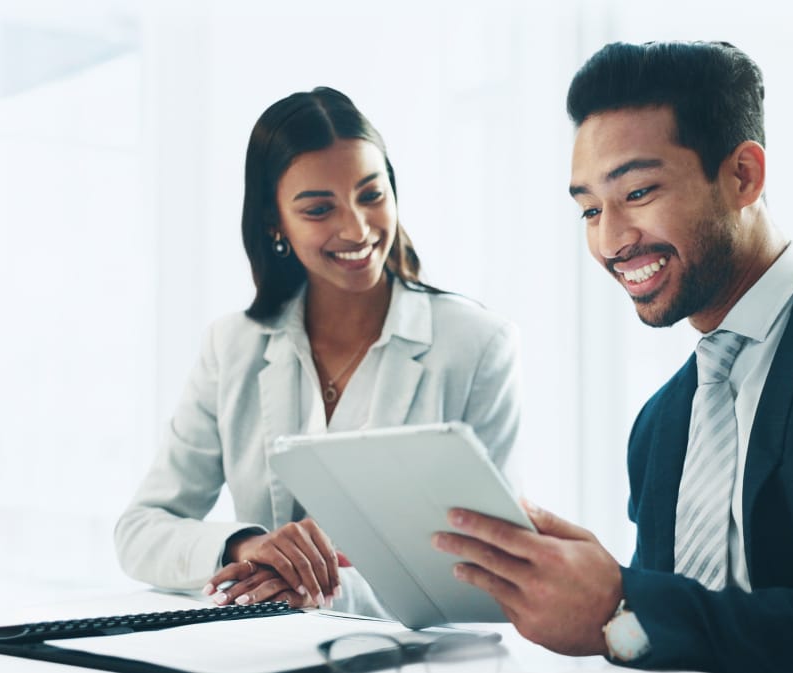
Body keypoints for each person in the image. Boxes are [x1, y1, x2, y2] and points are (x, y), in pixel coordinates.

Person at [431, 41, 793, 672]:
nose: (611, 240)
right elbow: (665, 642)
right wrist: (605, 618)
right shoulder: (660, 425)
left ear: (743, 176)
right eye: (589, 209)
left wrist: (622, 602)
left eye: (637, 193)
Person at [114, 87, 520, 618]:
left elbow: (492, 564)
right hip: (265, 652)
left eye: (372, 195)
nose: (355, 228)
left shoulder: (476, 344)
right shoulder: (232, 345)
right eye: (319, 209)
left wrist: (315, 589)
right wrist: (245, 546)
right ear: (274, 222)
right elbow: (141, 531)